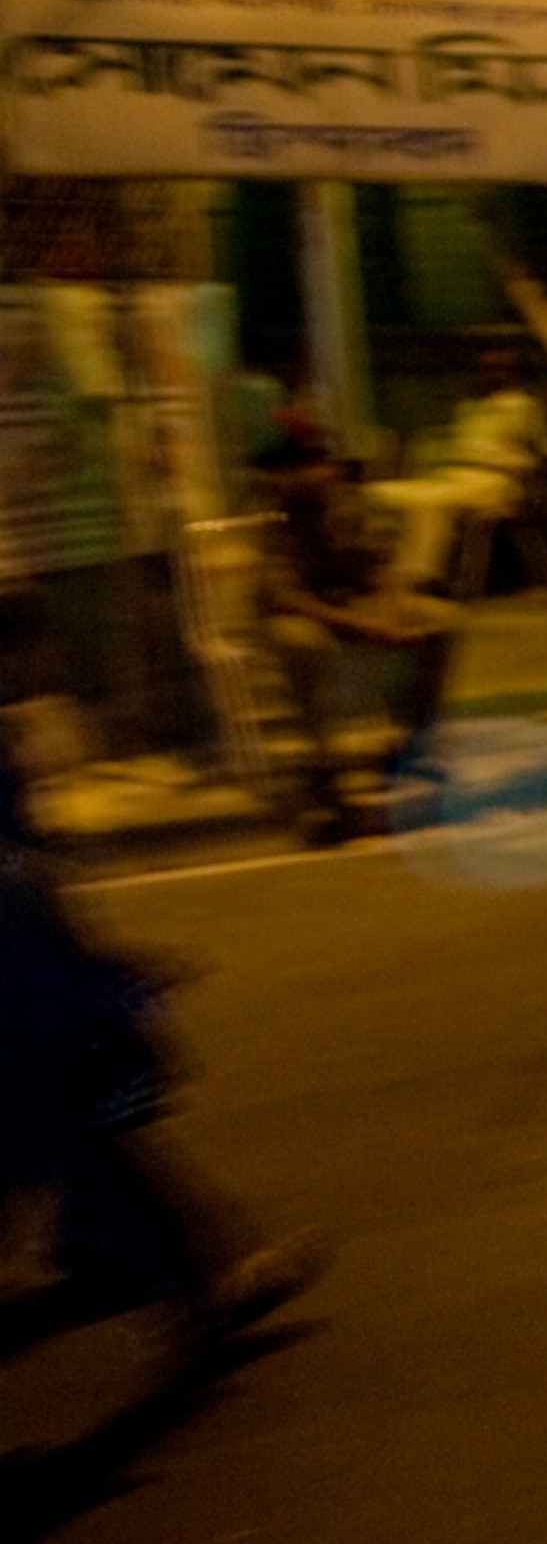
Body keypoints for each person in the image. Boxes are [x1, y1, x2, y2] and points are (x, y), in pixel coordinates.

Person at [1, 812, 326, 1360]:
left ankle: (197, 1296)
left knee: (118, 1165)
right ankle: (194, 1295)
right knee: (112, 1168)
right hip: (41, 1048)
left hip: (50, 1042)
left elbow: (51, 944)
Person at [260, 446, 461, 829]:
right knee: (298, 642)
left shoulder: (345, 504)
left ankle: (414, 741)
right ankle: (324, 764)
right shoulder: (276, 517)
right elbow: (289, 597)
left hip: (357, 603)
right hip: (310, 614)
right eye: (308, 466)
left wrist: (391, 616)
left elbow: (384, 567)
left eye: (323, 464)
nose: (322, 474)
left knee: (441, 620)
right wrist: (365, 627)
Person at [369, 344, 547, 590]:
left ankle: (420, 579)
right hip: (455, 474)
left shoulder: (525, 407)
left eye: (499, 368)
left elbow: (540, 454)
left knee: (432, 502)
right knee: (385, 495)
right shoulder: (469, 408)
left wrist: (529, 492)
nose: (493, 373)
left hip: (497, 480)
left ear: (512, 371)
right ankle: (385, 573)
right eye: (487, 368)